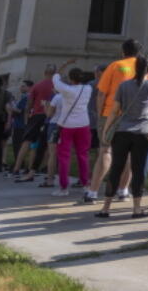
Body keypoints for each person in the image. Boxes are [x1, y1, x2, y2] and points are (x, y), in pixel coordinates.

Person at [95, 56, 148, 218]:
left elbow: (114, 111)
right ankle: (136, 208)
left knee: (116, 168)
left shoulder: (124, 85)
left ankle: (105, 208)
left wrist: (106, 130)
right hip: (143, 133)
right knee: (138, 169)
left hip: (122, 132)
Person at [84, 41, 141, 203]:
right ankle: (123, 191)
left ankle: (93, 192)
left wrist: (101, 113)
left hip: (111, 114)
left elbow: (101, 93)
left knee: (105, 151)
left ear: (123, 51)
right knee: (130, 154)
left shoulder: (115, 66)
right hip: (135, 117)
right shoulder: (144, 68)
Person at [13, 64, 64, 182]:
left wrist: (27, 117)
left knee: (27, 141)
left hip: (36, 115)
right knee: (46, 145)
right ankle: (44, 167)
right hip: (52, 117)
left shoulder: (37, 86)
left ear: (44, 73)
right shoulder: (58, 86)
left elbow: (29, 103)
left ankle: (17, 167)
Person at [52, 67, 93, 197]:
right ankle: (86, 185)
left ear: (70, 79)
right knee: (83, 155)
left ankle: (64, 187)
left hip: (66, 125)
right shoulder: (88, 89)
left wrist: (63, 66)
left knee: (64, 157)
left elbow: (55, 78)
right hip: (84, 124)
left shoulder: (66, 90)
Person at [6, 80, 32, 177]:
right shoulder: (24, 97)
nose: (21, 88)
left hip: (20, 125)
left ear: (29, 87)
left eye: (23, 86)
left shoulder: (26, 97)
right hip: (19, 124)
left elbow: (20, 110)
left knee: (18, 145)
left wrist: (10, 107)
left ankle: (18, 164)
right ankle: (20, 163)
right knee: (18, 145)